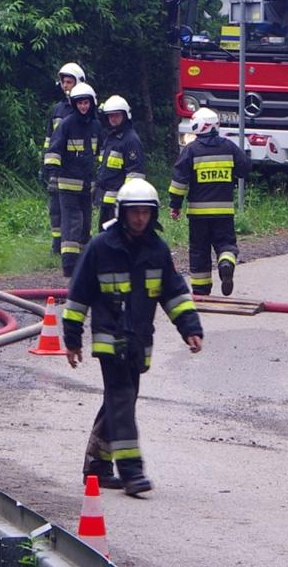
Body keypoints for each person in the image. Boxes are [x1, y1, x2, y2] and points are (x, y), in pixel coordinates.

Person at [62, 178, 204, 497]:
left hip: (139, 342)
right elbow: (78, 296)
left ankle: (97, 466)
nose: (140, 218)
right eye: (134, 212)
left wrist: (190, 328)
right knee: (122, 400)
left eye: (145, 212)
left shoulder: (157, 250)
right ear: (122, 213)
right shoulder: (100, 247)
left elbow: (174, 294)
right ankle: (131, 471)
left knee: (119, 401)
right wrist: (72, 340)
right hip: (109, 340)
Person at [168, 107, 249, 297]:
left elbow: (179, 182)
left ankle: (201, 290)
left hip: (198, 215)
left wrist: (175, 205)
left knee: (199, 252)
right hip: (224, 212)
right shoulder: (229, 147)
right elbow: (245, 168)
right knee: (226, 244)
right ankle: (226, 262)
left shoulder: (191, 150)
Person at [45, 82, 101, 277]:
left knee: (86, 223)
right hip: (68, 183)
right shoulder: (67, 124)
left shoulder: (95, 126)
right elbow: (54, 149)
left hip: (87, 186)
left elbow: (101, 153)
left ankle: (84, 262)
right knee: (72, 222)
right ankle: (69, 265)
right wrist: (52, 171)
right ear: (75, 104)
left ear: (91, 104)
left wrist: (100, 178)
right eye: (80, 103)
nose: (83, 107)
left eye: (86, 103)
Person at [44, 63, 89, 256]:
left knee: (79, 211)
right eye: (63, 82)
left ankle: (79, 245)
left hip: (78, 169)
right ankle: (57, 244)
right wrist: (46, 165)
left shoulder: (84, 109)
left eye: (69, 82)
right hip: (58, 168)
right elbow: (49, 140)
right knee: (56, 207)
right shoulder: (57, 110)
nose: (65, 86)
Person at [94, 95, 146, 228]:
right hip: (106, 200)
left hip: (120, 202)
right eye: (110, 116)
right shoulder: (111, 137)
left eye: (117, 115)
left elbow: (135, 174)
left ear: (125, 116)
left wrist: (127, 199)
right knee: (105, 238)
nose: (113, 119)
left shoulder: (130, 140)